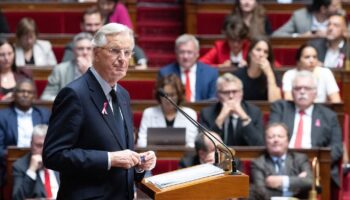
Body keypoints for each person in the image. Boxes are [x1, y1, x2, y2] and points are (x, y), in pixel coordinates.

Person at [43, 23, 156, 199]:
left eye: (127, 53)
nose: (122, 58)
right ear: (96, 53)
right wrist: (110, 159)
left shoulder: (123, 95)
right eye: (115, 50)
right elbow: (54, 155)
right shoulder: (75, 95)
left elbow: (120, 152)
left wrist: (139, 164)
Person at [269, 70, 343, 189]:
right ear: (292, 92)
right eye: (298, 88)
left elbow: (337, 148)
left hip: (315, 168)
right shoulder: (280, 109)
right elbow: (271, 136)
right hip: (282, 164)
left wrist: (313, 166)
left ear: (315, 92)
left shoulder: (329, 116)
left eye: (307, 88)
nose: (302, 92)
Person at [0, 79, 50, 188]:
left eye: (29, 92)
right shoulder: (2, 117)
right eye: (21, 91)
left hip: (42, 163)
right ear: (14, 94)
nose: (25, 94)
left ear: (34, 96)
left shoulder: (44, 115)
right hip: (10, 166)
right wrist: (18, 161)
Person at [62, 6, 147, 69]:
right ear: (82, 26)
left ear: (102, 24)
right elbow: (65, 67)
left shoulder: (110, 40)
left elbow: (134, 48)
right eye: (89, 25)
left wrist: (142, 62)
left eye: (96, 24)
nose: (93, 28)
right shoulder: (73, 45)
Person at [250, 122, 312, 199]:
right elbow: (260, 191)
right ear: (265, 141)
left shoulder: (300, 159)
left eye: (280, 136)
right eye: (271, 137)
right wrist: (297, 182)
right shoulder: (258, 163)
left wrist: (283, 181)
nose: (276, 140)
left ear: (288, 140)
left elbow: (310, 182)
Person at [200, 73, 264, 146]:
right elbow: (204, 146)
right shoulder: (207, 113)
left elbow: (259, 144)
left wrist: (244, 117)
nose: (231, 96)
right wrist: (220, 119)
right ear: (218, 94)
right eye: (226, 92)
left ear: (241, 93)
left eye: (235, 91)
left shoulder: (254, 112)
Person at [137, 74, 198, 148]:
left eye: (172, 95)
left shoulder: (190, 114)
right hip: (153, 156)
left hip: (183, 158)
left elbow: (191, 144)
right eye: (165, 95)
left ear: (179, 95)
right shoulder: (149, 113)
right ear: (159, 96)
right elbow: (141, 143)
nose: (168, 99)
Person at [158, 34, 218, 102]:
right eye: (182, 52)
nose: (185, 57)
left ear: (197, 54)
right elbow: (163, 100)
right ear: (176, 53)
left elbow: (212, 101)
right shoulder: (165, 73)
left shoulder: (211, 73)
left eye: (189, 52)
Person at [41, 32, 94, 101]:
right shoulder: (60, 70)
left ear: (94, 51)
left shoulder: (101, 70)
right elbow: (46, 97)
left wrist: (88, 72)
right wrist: (65, 101)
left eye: (89, 48)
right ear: (74, 51)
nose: (85, 52)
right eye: (80, 48)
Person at [12, 124, 59, 200]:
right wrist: (31, 170)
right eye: (39, 145)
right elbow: (18, 198)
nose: (44, 150)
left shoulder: (59, 161)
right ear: (31, 145)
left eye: (46, 145)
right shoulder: (20, 166)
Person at [232, 36, 281, 102]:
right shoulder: (237, 75)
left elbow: (276, 104)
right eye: (258, 50)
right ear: (250, 53)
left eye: (265, 52)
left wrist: (269, 74)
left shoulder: (273, 75)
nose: (261, 54)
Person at [272, 0, 343, 37]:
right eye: (335, 6)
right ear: (323, 9)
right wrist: (301, 36)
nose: (339, 8)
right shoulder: (300, 16)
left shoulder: (340, 15)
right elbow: (276, 35)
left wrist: (330, 35)